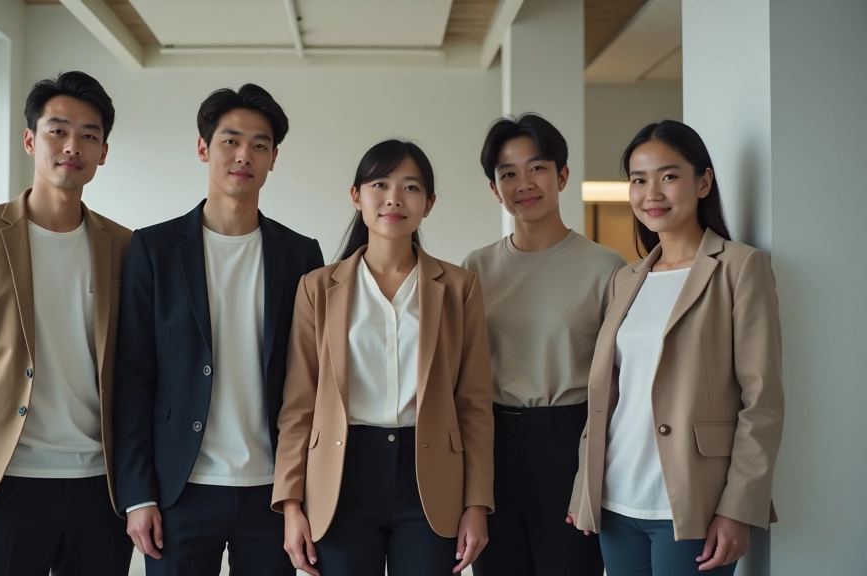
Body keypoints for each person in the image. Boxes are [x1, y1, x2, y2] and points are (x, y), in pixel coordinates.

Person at [0, 71, 134, 575]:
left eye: (89, 135)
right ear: (31, 139)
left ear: (103, 152)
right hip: (0, 485)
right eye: (58, 130)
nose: (72, 145)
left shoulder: (124, 247)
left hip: (100, 487)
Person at [113, 83, 324, 576]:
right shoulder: (154, 249)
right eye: (230, 140)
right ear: (203, 148)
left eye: (260, 145)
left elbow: (312, 377)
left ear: (274, 159)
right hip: (179, 491)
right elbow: (132, 376)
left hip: (273, 492)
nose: (244, 155)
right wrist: (139, 493)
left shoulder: (301, 255)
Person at [567, 120, 784, 576]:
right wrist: (584, 491)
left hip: (691, 504)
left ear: (703, 181)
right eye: (638, 180)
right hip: (616, 499)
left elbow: (761, 401)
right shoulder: (627, 277)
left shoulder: (740, 267)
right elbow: (610, 394)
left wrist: (739, 507)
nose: (652, 193)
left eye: (668, 176)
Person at [272, 139, 494, 576]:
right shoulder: (317, 288)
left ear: (429, 204)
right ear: (356, 196)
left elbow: (474, 405)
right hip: (339, 477)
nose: (394, 198)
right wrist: (291, 503)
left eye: (411, 188)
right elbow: (299, 403)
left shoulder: (459, 287)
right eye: (380, 183)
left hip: (430, 477)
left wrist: (476, 503)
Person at [463, 113, 622, 576]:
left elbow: (618, 376)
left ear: (562, 176)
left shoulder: (605, 267)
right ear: (495, 189)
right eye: (507, 174)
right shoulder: (476, 267)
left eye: (536, 168)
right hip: (493, 445)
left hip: (570, 444)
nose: (523, 184)